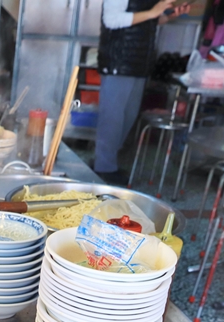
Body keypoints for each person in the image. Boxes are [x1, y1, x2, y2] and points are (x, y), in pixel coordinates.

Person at [94, 0, 190, 184]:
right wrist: (153, 12)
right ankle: (104, 167)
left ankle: (105, 162)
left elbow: (150, 20)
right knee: (113, 118)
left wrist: (168, 15)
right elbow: (111, 20)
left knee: (128, 116)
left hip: (138, 64)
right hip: (119, 62)